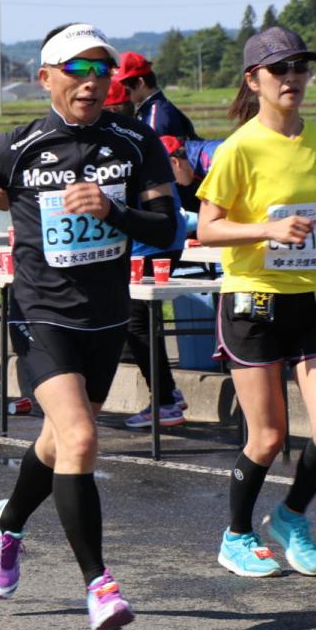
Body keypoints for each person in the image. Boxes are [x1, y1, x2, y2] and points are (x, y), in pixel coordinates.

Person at [0, 23, 177, 630]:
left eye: (101, 71)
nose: (91, 82)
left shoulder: (136, 141)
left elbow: (166, 229)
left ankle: (9, 521)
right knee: (78, 440)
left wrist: (114, 209)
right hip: (38, 314)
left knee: (58, 442)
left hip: (105, 317)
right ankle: (99, 585)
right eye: (77, 71)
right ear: (45, 77)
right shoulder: (16, 145)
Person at [196, 26, 316, 578]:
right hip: (253, 300)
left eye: (299, 68)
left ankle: (291, 516)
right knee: (266, 437)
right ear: (254, 80)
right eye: (278, 70)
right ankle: (235, 536)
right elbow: (207, 230)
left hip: (311, 296)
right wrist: (267, 229)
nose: (291, 78)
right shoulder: (237, 148)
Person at [124, 134, 189, 430]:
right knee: (142, 321)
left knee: (137, 323)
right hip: (167, 241)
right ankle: (168, 392)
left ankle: (164, 401)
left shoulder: (127, 145)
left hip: (146, 246)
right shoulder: (142, 140)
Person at [118, 51, 197, 140]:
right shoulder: (154, 108)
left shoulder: (156, 117)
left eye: (125, 89)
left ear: (140, 83)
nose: (122, 94)